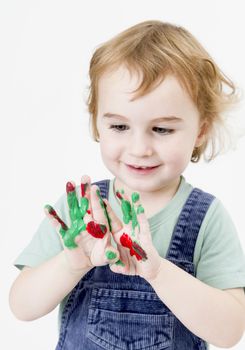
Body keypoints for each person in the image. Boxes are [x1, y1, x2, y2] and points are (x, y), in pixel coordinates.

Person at [9, 20, 245, 349]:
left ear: (201, 131)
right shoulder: (79, 213)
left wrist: (160, 272)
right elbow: (21, 306)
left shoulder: (207, 218)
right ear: (97, 123)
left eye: (162, 129)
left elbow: (230, 331)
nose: (139, 148)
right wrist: (71, 263)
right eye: (119, 126)